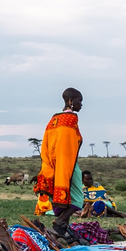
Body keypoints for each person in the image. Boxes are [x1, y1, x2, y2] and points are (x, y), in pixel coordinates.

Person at [35, 88, 84, 238]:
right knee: (78, 199)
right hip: (67, 164)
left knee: (67, 199)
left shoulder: (54, 120)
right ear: (70, 101)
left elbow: (47, 144)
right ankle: (60, 221)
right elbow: (70, 144)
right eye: (79, 101)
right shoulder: (71, 118)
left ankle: (60, 232)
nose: (81, 105)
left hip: (54, 164)